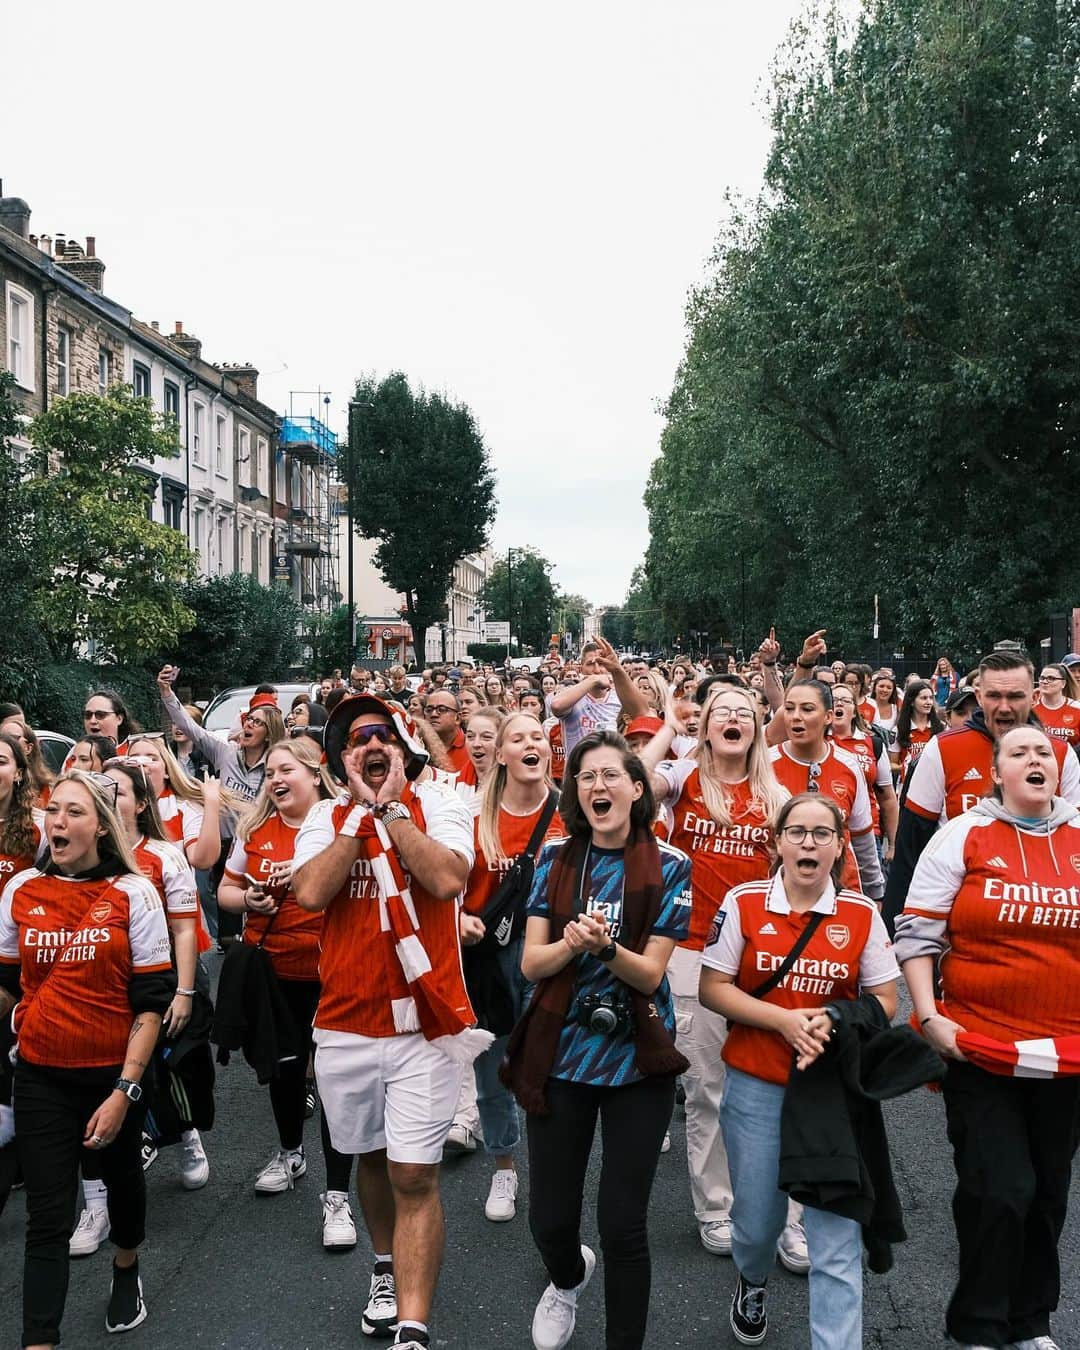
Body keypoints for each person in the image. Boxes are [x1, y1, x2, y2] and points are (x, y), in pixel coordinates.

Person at [292, 695, 483, 1350]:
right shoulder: (322, 818)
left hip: (424, 1024)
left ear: (404, 751)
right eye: (355, 740)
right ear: (339, 761)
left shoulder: (447, 804)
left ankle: (412, 1326)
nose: (372, 746)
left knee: (414, 1173)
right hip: (347, 1022)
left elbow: (447, 878)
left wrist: (394, 814)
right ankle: (383, 1266)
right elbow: (312, 893)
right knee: (371, 1157)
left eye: (383, 737)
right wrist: (355, 820)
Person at [503, 730, 692, 1350]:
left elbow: (653, 972)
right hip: (559, 1056)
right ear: (574, 791)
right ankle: (566, 1279)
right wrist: (571, 945)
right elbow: (532, 965)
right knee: (550, 1220)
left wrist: (606, 948)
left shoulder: (670, 867)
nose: (598, 787)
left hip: (637, 1058)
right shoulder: (556, 862)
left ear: (637, 789)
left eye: (611, 775)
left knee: (623, 1224)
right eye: (586, 777)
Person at [895, 725, 1080, 1350]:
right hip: (977, 1046)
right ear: (997, 773)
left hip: (1067, 1054)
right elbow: (918, 934)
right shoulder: (963, 835)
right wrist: (929, 1015)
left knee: (1047, 1192)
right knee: (1002, 1188)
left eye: (1043, 753)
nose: (1035, 759)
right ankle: (977, 1325)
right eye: (1019, 753)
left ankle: (1031, 1323)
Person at [699, 793, 899, 1348]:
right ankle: (753, 1277)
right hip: (756, 1082)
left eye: (821, 834)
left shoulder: (861, 913)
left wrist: (834, 1019)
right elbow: (712, 988)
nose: (808, 843)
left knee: (834, 1240)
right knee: (757, 1223)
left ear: (839, 847)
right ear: (777, 841)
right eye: (797, 832)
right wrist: (785, 1022)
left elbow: (885, 998)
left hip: (830, 1092)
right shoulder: (742, 903)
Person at [0, 770, 175, 1346]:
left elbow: (151, 1006)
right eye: (54, 812)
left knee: (122, 1188)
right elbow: (7, 984)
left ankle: (126, 1267)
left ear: (100, 825)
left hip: (111, 1076)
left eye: (75, 813)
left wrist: (125, 1092)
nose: (59, 822)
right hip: (40, 1076)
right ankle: (39, 1339)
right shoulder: (20, 889)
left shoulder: (135, 892)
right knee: (48, 1219)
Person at [639, 686, 805, 1266]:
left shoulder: (777, 793)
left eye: (744, 715)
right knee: (706, 1088)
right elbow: (631, 787)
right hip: (691, 953)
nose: (733, 722)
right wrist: (665, 727)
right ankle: (716, 1206)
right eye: (721, 715)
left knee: (773, 1088)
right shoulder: (683, 778)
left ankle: (786, 1215)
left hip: (762, 960)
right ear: (704, 727)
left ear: (758, 728)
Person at [218, 737, 358, 1248]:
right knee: (283, 1067)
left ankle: (337, 1197)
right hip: (274, 970)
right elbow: (226, 892)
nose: (276, 779)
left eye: (286, 770)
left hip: (335, 969)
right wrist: (249, 896)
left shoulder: (343, 823)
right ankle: (290, 1151)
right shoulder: (257, 829)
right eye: (270, 772)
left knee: (335, 1077)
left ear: (314, 773)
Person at [884, 649, 1080, 928]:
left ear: (1034, 697)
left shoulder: (1058, 755)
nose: (1004, 707)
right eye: (994, 696)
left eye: (1015, 696)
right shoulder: (943, 748)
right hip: (963, 914)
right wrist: (895, 928)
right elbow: (911, 843)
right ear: (979, 697)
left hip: (1044, 912)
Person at [458, 712, 563, 1221]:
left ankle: (549, 1167)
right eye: (517, 738)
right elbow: (445, 883)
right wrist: (458, 918)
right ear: (500, 754)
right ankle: (504, 1167)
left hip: (553, 952)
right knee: (494, 1065)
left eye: (537, 737)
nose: (530, 744)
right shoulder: (472, 813)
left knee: (552, 1066)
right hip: (489, 955)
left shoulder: (572, 813)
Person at [768, 681, 885, 902]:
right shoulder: (766, 764)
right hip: (779, 897)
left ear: (828, 716)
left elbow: (862, 839)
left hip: (841, 893)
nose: (795, 716)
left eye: (807, 709)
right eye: (789, 708)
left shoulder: (848, 765)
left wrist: (875, 891)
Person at [830, 685, 898, 869]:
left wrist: (892, 844)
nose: (840, 704)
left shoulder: (873, 744)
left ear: (854, 711)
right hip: (826, 833)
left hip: (867, 833)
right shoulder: (816, 741)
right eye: (835, 700)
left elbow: (888, 797)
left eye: (846, 701)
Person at [549, 638, 648, 758]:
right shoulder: (574, 697)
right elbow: (556, 706)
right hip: (578, 772)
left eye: (602, 663)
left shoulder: (620, 697)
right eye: (590, 664)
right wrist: (594, 679)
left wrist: (617, 670)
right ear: (581, 669)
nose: (597, 670)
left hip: (613, 769)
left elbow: (643, 714)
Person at [891, 679, 945, 784]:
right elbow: (891, 764)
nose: (929, 702)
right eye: (924, 698)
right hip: (908, 786)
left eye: (931, 698)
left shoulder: (941, 727)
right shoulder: (899, 729)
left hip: (934, 785)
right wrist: (908, 766)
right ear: (911, 701)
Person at [1034, 663, 1080, 749]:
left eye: (1051, 678)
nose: (1045, 681)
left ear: (1063, 683)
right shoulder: (1031, 709)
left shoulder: (1077, 708)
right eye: (1042, 678)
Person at [423, 691, 470, 775]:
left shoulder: (472, 747)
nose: (433, 714)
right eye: (429, 710)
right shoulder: (418, 748)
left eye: (442, 709)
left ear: (458, 718)